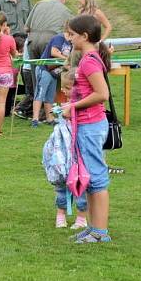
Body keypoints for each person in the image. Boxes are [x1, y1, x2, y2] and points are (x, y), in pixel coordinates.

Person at [64, 14, 112, 244]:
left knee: (97, 179)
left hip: (91, 126)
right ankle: (93, 227)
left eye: (72, 35)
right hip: (87, 124)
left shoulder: (89, 61)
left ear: (84, 36)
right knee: (91, 178)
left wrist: (73, 105)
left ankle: (100, 232)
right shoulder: (88, 58)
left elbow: (102, 94)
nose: (69, 38)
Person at [52, 69, 88, 229]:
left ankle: (81, 217)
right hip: (62, 154)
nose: (62, 90)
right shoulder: (65, 105)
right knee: (61, 183)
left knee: (81, 184)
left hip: (78, 155)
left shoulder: (84, 108)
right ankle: (60, 214)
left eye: (67, 87)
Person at [31, 26, 72, 128]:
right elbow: (54, 52)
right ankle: (35, 119)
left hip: (55, 72)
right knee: (40, 93)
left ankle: (49, 118)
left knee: (50, 95)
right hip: (44, 69)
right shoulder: (59, 38)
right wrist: (67, 59)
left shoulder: (72, 42)